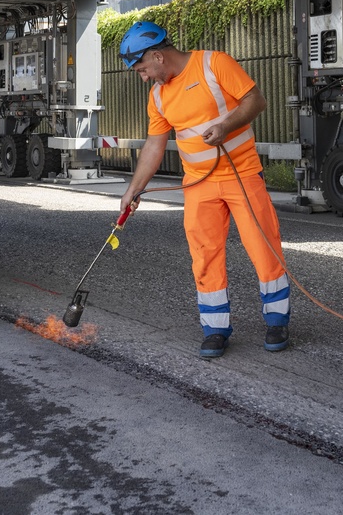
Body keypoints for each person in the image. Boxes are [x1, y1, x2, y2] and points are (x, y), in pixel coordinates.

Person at [118, 21, 291, 360]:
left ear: (157, 56)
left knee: (263, 246)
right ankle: (215, 329)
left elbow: (256, 100)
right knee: (204, 255)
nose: (143, 77)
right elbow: (155, 146)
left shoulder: (215, 64)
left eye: (141, 69)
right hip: (198, 184)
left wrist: (225, 126)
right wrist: (133, 190)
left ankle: (277, 322)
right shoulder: (158, 96)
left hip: (242, 175)